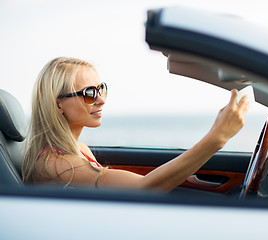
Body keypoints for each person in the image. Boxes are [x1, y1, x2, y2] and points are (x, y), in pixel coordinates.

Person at [22, 57, 249, 191]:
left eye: (101, 89)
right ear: (58, 104)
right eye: (89, 93)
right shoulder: (57, 165)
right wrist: (217, 138)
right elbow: (145, 188)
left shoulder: (78, 150)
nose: (101, 99)